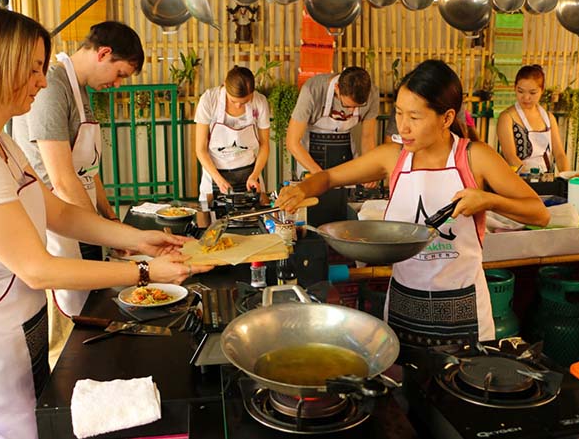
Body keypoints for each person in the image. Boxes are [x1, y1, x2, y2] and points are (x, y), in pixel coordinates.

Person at [0, 6, 212, 439]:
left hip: (14, 327)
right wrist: (145, 272)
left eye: (43, 68)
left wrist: (139, 239)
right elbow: (37, 267)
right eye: (33, 68)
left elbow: (59, 211)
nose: (43, 81)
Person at [277, 60, 549, 346]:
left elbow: (539, 214)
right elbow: (329, 178)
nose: (402, 127)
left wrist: (487, 200)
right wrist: (302, 188)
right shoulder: (393, 157)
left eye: (414, 117)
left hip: (462, 310)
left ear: (446, 118)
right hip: (404, 305)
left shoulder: (474, 157)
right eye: (398, 113)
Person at [12, 21, 143, 363]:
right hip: (55, 222)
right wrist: (108, 234)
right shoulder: (54, 86)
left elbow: (88, 169)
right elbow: (63, 178)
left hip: (80, 218)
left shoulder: (80, 90)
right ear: (103, 53)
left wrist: (112, 218)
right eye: (120, 74)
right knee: (68, 332)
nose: (116, 84)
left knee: (90, 310)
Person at [194, 66, 270, 201]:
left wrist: (254, 175)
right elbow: (200, 149)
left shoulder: (260, 102)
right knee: (210, 220)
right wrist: (218, 179)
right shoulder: (209, 100)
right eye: (233, 101)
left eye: (245, 101)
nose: (238, 106)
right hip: (214, 174)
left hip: (249, 174)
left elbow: (264, 145)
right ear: (225, 86)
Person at [287, 66, 379, 176]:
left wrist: (370, 170)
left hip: (345, 153)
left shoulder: (372, 93)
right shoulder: (312, 90)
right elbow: (292, 142)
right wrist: (319, 174)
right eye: (347, 105)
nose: (351, 110)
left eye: (358, 106)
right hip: (311, 156)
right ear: (337, 88)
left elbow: (368, 137)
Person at [497, 64, 570, 173]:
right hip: (517, 180)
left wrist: (566, 177)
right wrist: (530, 177)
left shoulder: (549, 119)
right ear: (514, 88)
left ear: (542, 90)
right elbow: (510, 156)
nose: (526, 97)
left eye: (532, 93)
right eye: (520, 91)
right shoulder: (507, 118)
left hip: (545, 178)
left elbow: (559, 154)